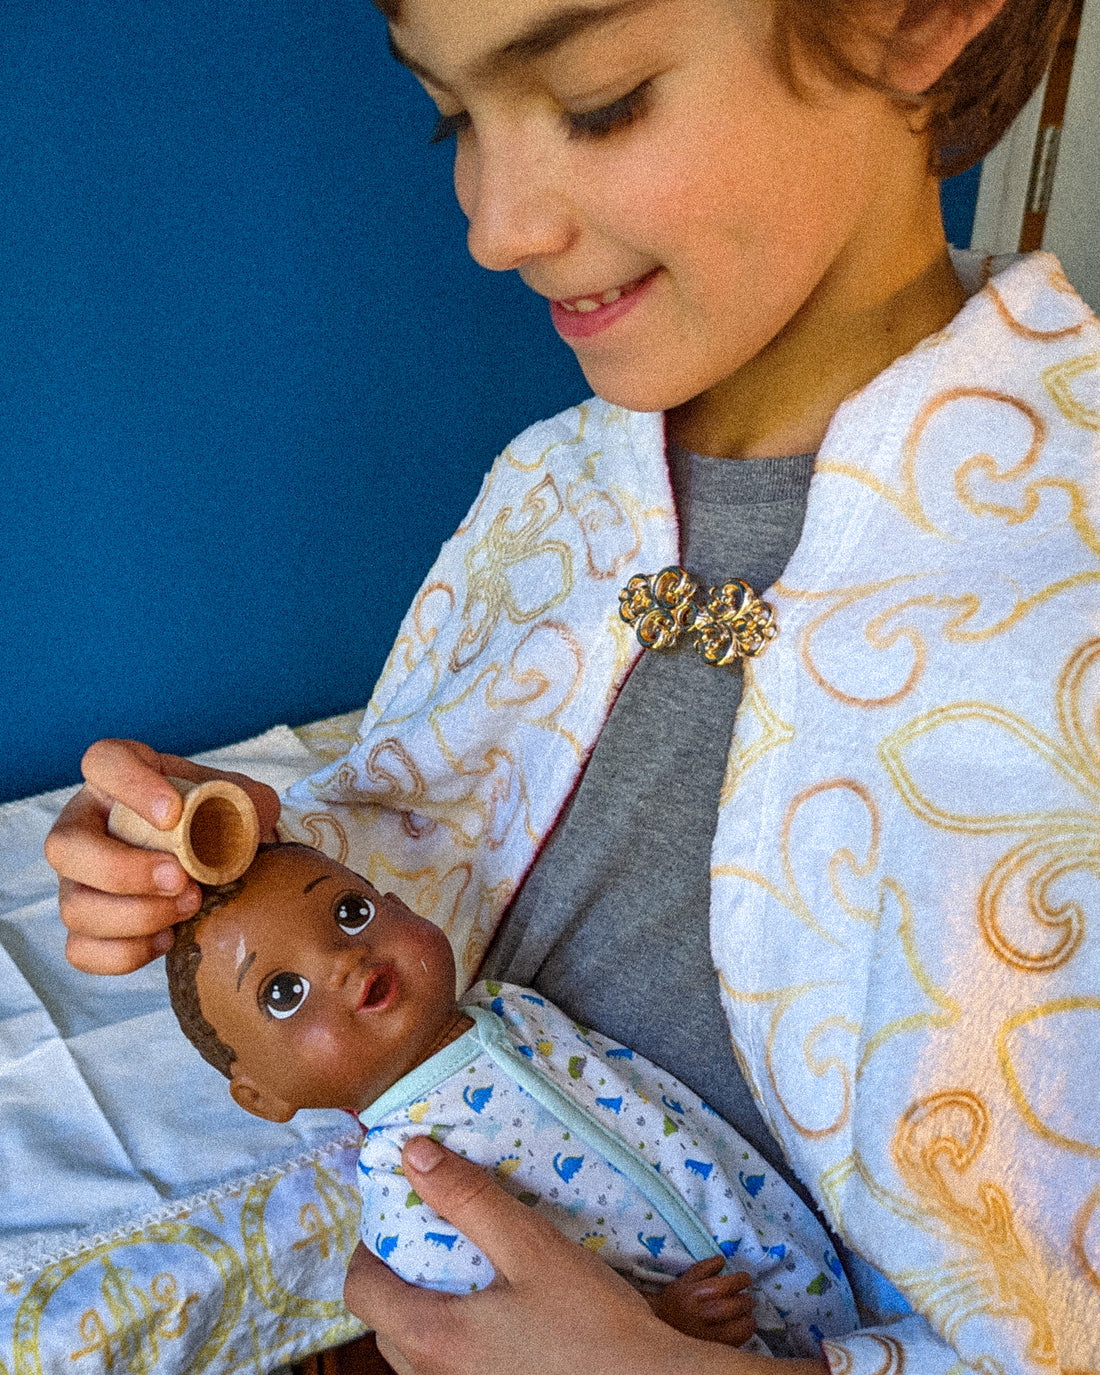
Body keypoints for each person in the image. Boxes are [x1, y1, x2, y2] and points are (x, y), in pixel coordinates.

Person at [44, 0, 1099, 1371]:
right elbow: (452, 843)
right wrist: (235, 857)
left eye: (596, 99)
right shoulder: (547, 491)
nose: (491, 224)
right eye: (454, 118)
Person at [165, 840, 858, 1357]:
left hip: (804, 1247)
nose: (342, 957)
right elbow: (524, 1334)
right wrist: (662, 1322)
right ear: (263, 1096)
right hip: (715, 1342)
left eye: (352, 911)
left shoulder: (509, 1004)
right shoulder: (412, 1186)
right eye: (283, 992)